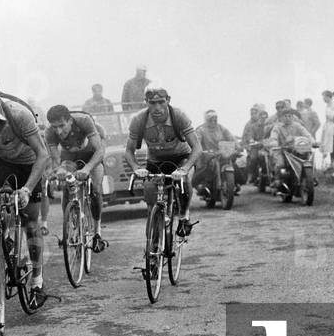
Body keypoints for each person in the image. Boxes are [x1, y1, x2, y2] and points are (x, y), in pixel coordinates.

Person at [0, 95, 51, 305]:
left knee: (30, 221)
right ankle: (4, 236)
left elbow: (43, 155)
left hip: (28, 162)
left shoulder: (19, 115)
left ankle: (37, 281)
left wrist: (26, 189)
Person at [124, 87, 202, 236]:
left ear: (168, 100)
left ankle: (184, 217)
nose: (157, 108)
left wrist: (184, 169)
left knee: (184, 182)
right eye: (152, 103)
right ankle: (154, 236)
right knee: (149, 190)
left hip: (181, 157)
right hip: (156, 160)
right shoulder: (139, 120)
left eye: (161, 102)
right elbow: (129, 151)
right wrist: (136, 167)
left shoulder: (178, 115)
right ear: (146, 102)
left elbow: (197, 148)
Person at [44, 104, 108, 251]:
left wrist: (87, 168)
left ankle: (97, 232)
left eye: (62, 126)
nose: (58, 131)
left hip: (91, 156)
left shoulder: (84, 121)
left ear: (70, 121)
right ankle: (71, 225)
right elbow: (55, 160)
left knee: (96, 189)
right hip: (70, 158)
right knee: (67, 187)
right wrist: (59, 170)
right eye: (55, 127)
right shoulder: (49, 132)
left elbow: (99, 151)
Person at [193, 109, 239, 197]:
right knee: (206, 168)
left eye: (215, 119)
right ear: (207, 120)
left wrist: (237, 146)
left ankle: (234, 184)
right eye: (211, 119)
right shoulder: (201, 130)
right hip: (207, 156)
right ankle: (203, 185)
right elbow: (197, 141)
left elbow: (231, 137)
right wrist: (200, 149)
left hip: (221, 153)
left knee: (234, 163)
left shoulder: (221, 128)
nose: (213, 121)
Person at [268, 108, 316, 177]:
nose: (287, 118)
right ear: (281, 118)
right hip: (281, 150)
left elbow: (306, 134)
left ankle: (311, 177)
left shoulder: (297, 125)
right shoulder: (277, 127)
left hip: (295, 150)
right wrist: (274, 142)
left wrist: (313, 142)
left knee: (307, 160)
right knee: (280, 164)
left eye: (289, 116)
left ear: (292, 117)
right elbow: (273, 136)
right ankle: (278, 179)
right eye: (285, 116)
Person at [241, 104, 268, 185]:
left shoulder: (269, 126)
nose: (263, 119)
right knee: (253, 158)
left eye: (265, 117)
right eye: (252, 113)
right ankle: (251, 175)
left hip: (267, 146)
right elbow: (248, 137)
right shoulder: (251, 126)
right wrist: (250, 143)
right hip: (255, 146)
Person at [320, 90, 334, 170]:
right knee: (327, 145)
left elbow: (333, 116)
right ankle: (329, 164)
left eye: (324, 97)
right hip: (327, 125)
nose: (323, 99)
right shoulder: (328, 105)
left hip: (332, 126)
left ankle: (333, 163)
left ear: (329, 97)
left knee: (331, 145)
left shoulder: (333, 105)